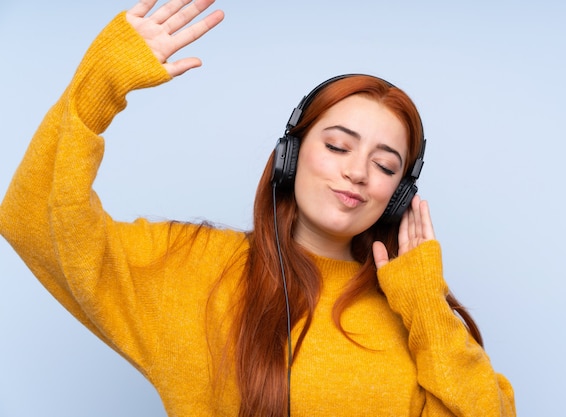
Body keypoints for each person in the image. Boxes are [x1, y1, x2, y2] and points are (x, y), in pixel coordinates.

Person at [0, 0, 516, 416]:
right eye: (338, 146)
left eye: (385, 166)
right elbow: (32, 221)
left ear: (399, 194)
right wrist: (96, 90)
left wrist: (425, 304)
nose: (358, 172)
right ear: (290, 155)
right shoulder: (190, 268)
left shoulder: (414, 313)